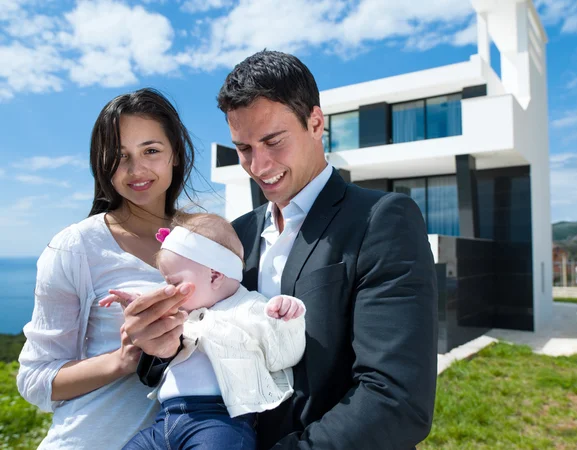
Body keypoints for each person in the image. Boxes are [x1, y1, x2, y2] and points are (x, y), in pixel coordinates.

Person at [122, 50, 438, 450]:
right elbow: (194, 335)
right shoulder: (235, 236)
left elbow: (395, 398)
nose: (258, 164)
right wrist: (159, 347)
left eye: (273, 141)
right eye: (244, 148)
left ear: (316, 122)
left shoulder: (382, 220)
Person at [16, 88, 198, 449]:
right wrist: (125, 358)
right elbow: (35, 380)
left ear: (174, 153)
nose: (137, 170)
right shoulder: (75, 247)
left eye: (151, 150)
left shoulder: (206, 241)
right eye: (119, 156)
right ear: (102, 164)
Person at [100, 213, 306, 450]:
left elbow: (284, 354)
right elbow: (157, 329)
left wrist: (286, 320)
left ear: (215, 275)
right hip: (166, 418)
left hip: (219, 419)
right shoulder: (183, 314)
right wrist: (139, 305)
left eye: (174, 283)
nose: (168, 291)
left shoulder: (250, 308)